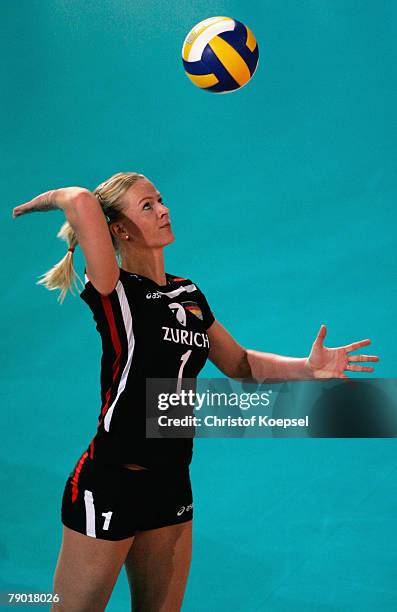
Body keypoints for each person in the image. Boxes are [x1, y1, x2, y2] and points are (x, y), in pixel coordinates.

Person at [12, 172, 379, 611]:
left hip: (171, 483)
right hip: (111, 483)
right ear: (120, 229)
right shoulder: (114, 290)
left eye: (160, 200)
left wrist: (308, 368)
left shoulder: (188, 294)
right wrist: (50, 198)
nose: (164, 209)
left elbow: (240, 363)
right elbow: (80, 200)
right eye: (147, 206)